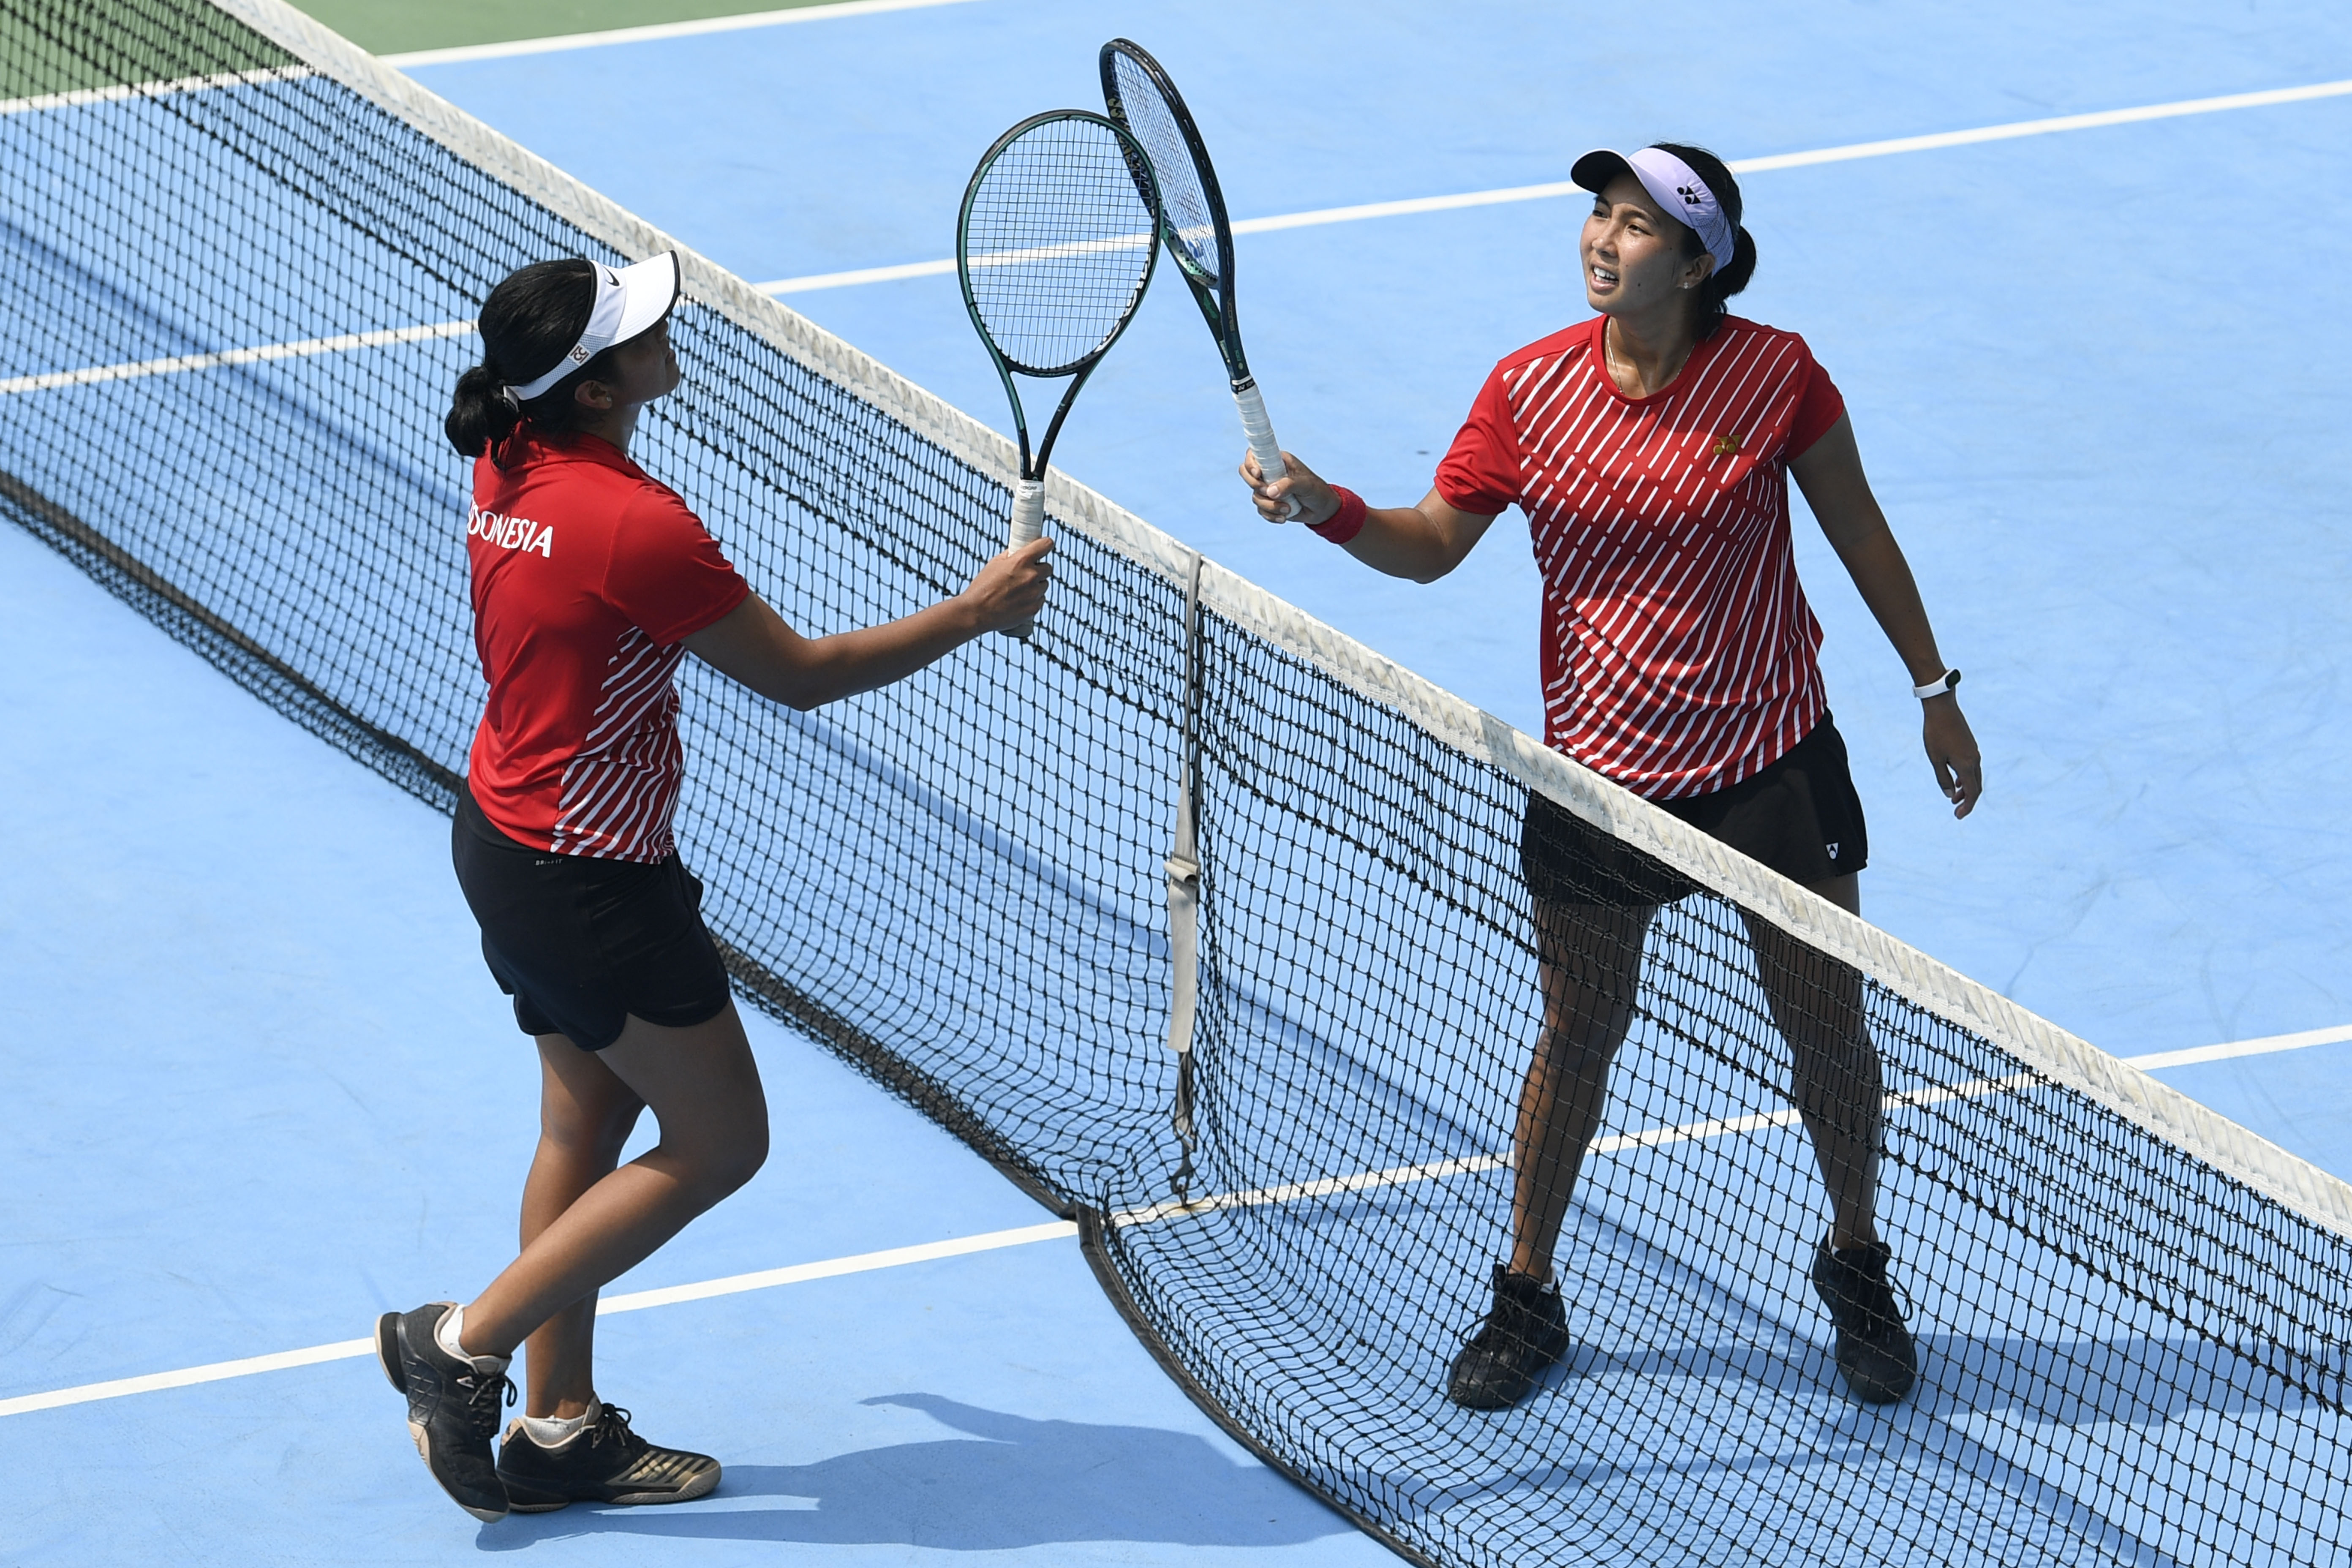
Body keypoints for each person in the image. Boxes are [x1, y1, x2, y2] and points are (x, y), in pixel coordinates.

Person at [1242, 145, 1981, 1412]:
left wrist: (1934, 689)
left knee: (1825, 1026)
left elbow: (1858, 528)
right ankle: (1526, 1287)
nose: (1602, 238)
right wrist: (1331, 508)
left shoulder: (1777, 375)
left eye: (1638, 225)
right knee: (1580, 1030)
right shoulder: (1528, 388)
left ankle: (1856, 1259)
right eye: (1599, 214)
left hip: (1770, 763)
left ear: (1698, 265)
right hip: (1600, 781)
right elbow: (1434, 545)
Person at [380, 252, 1052, 1522]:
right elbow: (801, 674)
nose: (663, 329)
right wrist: (975, 612)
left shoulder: (509, 460)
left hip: (507, 843)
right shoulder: (634, 525)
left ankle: (558, 1432)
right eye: (637, 330)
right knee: (722, 1142)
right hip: (590, 881)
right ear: (594, 390)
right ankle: (459, 1346)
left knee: (584, 1129)